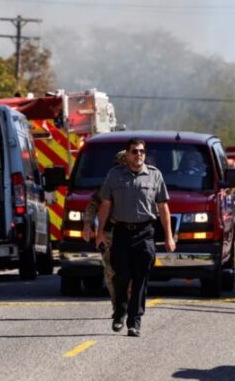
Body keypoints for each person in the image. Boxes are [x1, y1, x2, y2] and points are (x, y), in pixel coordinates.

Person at [95, 138, 175, 337]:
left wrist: (168, 236)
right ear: (127, 155)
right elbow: (105, 204)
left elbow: (163, 206)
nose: (138, 155)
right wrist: (99, 233)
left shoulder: (155, 176)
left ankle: (134, 321)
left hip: (145, 233)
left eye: (141, 151)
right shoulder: (114, 175)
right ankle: (119, 311)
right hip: (121, 233)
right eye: (134, 151)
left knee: (140, 279)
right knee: (121, 275)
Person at [82, 150, 127, 307]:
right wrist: (87, 225)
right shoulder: (107, 186)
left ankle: (129, 303)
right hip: (110, 234)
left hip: (132, 233)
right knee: (110, 270)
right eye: (119, 165)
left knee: (131, 271)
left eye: (125, 165)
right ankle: (118, 306)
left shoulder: (141, 184)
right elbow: (93, 205)